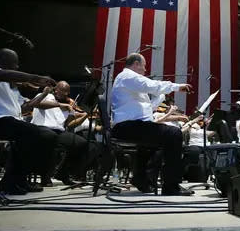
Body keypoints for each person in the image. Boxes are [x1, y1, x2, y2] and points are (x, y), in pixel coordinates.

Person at [0, 48, 57, 195]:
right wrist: (34, 78)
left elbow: (25, 108)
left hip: (9, 123)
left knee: (47, 135)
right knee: (30, 132)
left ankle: (20, 179)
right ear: (3, 61)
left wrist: (43, 94)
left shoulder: (12, 88)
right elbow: (2, 74)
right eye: (14, 63)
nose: (17, 67)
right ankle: (11, 182)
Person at [110, 53, 193, 195]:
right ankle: (171, 187)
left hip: (131, 126)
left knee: (157, 139)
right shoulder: (127, 76)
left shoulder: (128, 82)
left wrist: (161, 95)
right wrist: (176, 87)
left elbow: (147, 108)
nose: (145, 70)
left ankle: (141, 179)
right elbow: (149, 85)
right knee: (174, 134)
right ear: (136, 64)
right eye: (144, 66)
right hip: (127, 127)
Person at [30, 81, 91, 186]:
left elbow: (68, 125)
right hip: (41, 129)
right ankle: (45, 176)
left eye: (67, 92)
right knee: (51, 140)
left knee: (81, 143)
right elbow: (37, 104)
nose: (66, 94)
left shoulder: (66, 105)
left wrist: (73, 114)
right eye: (63, 91)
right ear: (56, 90)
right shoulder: (45, 96)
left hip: (58, 132)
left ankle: (63, 172)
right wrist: (61, 105)